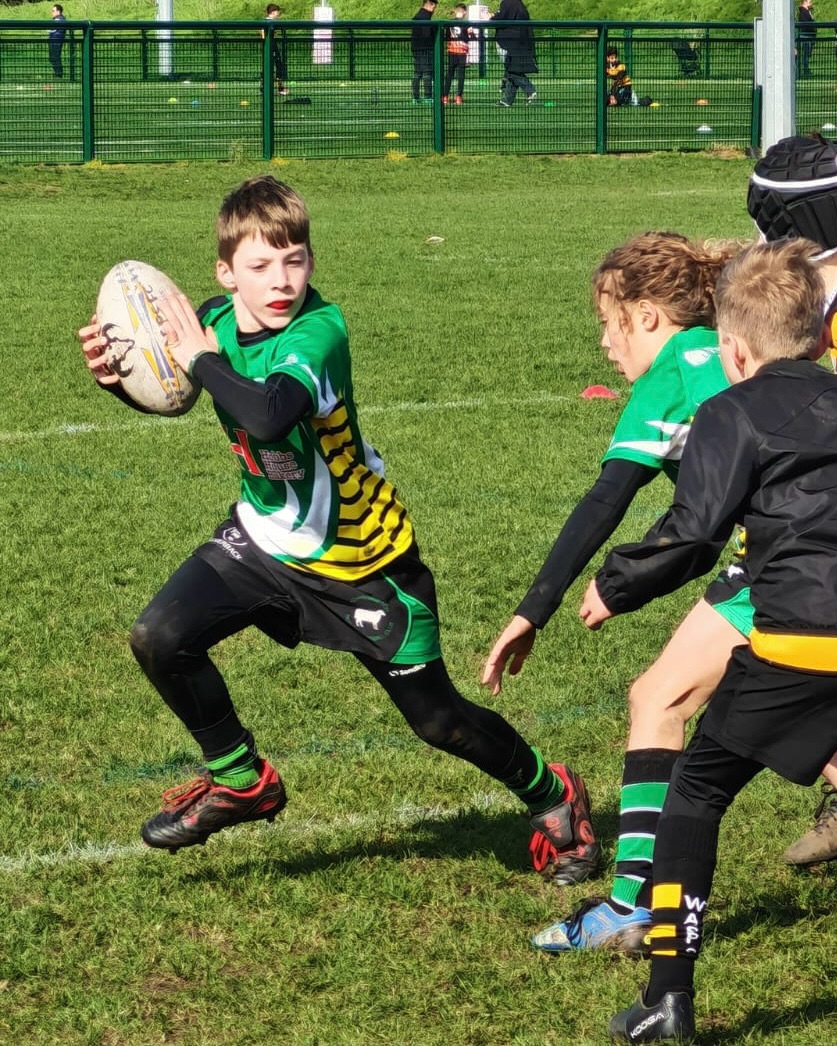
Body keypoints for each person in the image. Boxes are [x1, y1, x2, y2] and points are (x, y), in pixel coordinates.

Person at [77, 175, 597, 882]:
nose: (281, 279)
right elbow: (173, 396)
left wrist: (196, 357)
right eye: (259, 266)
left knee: (437, 721)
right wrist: (122, 374)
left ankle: (552, 794)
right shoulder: (216, 323)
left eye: (294, 259)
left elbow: (267, 414)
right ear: (225, 273)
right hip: (262, 539)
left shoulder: (318, 333)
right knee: (160, 637)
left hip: (362, 559)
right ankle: (240, 780)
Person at [582, 239, 837, 1042]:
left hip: (801, 643)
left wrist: (615, 585)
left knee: (694, 793)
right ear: (819, 336)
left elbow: (693, 536)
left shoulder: (730, 410)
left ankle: (668, 998)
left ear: (730, 348)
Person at [484, 231, 745, 912]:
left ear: (648, 316)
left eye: (609, 323)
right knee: (796, 716)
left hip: (790, 558)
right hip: (801, 544)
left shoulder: (670, 375)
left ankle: (632, 905)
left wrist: (535, 607)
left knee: (657, 701)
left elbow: (607, 502)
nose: (604, 343)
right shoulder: (727, 349)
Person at [492, 0, 537, 107]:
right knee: (511, 70)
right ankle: (508, 100)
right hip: (520, 41)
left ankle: (530, 91)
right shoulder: (518, 4)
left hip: (510, 42)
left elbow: (502, 19)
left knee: (512, 70)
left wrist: (491, 17)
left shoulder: (508, 3)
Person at [442, 4, 473, 105]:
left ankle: (445, 96)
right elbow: (470, 38)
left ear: (456, 11)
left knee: (449, 74)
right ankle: (459, 97)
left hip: (452, 50)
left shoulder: (449, 23)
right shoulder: (466, 24)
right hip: (462, 52)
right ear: (464, 12)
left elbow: (446, 36)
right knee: (461, 75)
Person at [411, 0, 438, 104]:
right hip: (425, 48)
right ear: (429, 5)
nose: (434, 10)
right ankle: (428, 96)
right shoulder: (425, 17)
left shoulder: (417, 15)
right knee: (427, 72)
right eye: (434, 7)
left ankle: (416, 97)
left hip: (416, 48)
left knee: (417, 73)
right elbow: (427, 34)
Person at [263, 4, 289, 96]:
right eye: (278, 11)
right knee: (277, 66)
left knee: (268, 66)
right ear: (273, 12)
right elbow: (263, 34)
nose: (278, 13)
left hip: (269, 46)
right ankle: (280, 88)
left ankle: (263, 89)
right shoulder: (269, 22)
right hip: (271, 46)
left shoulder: (267, 22)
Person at [797, 0, 816, 78]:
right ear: (805, 2)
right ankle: (805, 70)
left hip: (809, 36)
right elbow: (805, 25)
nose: (811, 3)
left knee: (807, 54)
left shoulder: (807, 11)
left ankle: (806, 69)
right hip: (806, 36)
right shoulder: (803, 12)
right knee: (805, 55)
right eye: (810, 1)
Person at [48, 4, 67, 80]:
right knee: (54, 57)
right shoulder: (60, 20)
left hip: (56, 41)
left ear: (58, 11)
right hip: (55, 40)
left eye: (53, 11)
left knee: (55, 57)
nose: (52, 12)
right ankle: (58, 74)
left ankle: (59, 75)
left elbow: (50, 29)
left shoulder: (59, 20)